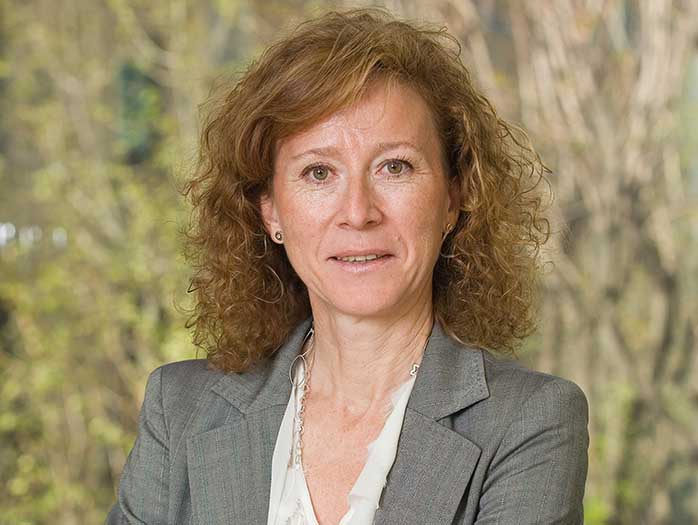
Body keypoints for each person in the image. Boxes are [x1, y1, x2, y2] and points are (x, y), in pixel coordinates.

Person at [106, 7, 589, 525]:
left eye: (394, 167)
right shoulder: (179, 411)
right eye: (319, 173)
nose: (358, 213)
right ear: (270, 209)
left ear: (453, 197)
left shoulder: (528, 423)